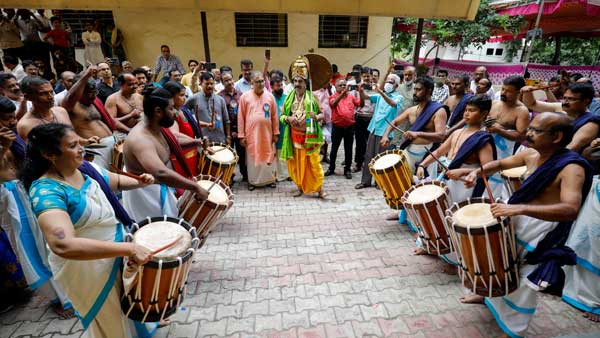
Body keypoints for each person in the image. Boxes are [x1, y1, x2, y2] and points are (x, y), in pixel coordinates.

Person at [462, 112, 593, 338]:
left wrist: (519, 208)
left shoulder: (571, 168)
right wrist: (476, 171)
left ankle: (513, 331)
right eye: (530, 128)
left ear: (556, 137)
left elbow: (570, 209)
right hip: (517, 219)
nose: (528, 134)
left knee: (523, 282)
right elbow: (501, 163)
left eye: (535, 131)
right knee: (500, 262)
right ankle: (488, 296)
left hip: (542, 231)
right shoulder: (531, 154)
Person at [22, 123, 157, 337]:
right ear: (50, 154)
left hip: (116, 252)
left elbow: (116, 181)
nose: (82, 148)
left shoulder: (86, 169)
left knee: (127, 307)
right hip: (87, 267)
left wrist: (139, 182)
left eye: (80, 142)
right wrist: (128, 249)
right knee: (109, 318)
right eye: (73, 145)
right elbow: (63, 244)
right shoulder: (46, 190)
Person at [0, 97, 75, 318]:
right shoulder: (5, 140)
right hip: (10, 200)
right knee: (31, 248)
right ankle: (57, 298)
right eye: (6, 119)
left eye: (13, 117)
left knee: (48, 243)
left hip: (28, 191)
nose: (12, 122)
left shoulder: (13, 136)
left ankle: (69, 291)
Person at [123, 87, 208, 221]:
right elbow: (160, 173)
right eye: (171, 108)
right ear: (158, 111)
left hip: (161, 191)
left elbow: (174, 139)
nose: (175, 113)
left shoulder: (157, 127)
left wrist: (196, 142)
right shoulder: (141, 140)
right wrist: (195, 187)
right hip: (148, 198)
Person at [417, 94, 495, 202]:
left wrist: (463, 171)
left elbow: (489, 169)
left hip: (466, 186)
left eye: (472, 110)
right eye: (466, 110)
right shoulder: (456, 132)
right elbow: (439, 151)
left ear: (484, 114)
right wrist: (422, 165)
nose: (466, 114)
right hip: (449, 179)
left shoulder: (482, 139)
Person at [61, 66, 129, 169]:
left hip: (114, 142)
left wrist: (128, 131)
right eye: (88, 93)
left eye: (94, 92)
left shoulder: (95, 102)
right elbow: (71, 96)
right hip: (95, 148)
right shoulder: (70, 105)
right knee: (104, 177)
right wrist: (86, 75)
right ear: (80, 91)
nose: (92, 96)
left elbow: (111, 121)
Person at [279, 56, 326, 198]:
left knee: (313, 164)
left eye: (300, 81)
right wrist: (288, 118)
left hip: (309, 138)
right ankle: (299, 186)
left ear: (306, 83)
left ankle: (319, 189)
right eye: (295, 81)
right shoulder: (289, 98)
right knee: (296, 165)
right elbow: (281, 117)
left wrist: (315, 117)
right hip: (293, 137)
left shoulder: (313, 98)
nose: (297, 84)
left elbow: (323, 114)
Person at [381, 76, 447, 177]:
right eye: (414, 89)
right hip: (409, 150)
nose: (415, 93)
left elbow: (441, 135)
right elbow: (394, 122)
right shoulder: (411, 110)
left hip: (428, 153)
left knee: (424, 187)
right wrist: (385, 135)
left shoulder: (438, 111)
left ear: (429, 91)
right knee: (405, 183)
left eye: (419, 89)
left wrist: (417, 133)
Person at [16, 76, 98, 147]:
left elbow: (71, 137)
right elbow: (35, 155)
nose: (50, 97)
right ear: (28, 97)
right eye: (43, 94)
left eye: (51, 92)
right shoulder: (25, 125)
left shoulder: (61, 111)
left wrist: (87, 141)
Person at [521, 82, 600, 153]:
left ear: (586, 101)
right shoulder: (562, 107)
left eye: (571, 99)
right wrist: (528, 92)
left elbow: (572, 147)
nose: (565, 102)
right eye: (565, 98)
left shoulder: (590, 123)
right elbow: (532, 104)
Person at [238, 71, 279, 190]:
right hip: (252, 134)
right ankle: (253, 181)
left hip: (267, 133)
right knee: (253, 156)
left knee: (268, 155)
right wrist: (242, 135)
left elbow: (274, 116)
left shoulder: (270, 96)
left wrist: (276, 133)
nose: (260, 84)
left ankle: (270, 179)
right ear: (252, 82)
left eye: (262, 81)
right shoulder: (244, 97)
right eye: (257, 81)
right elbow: (241, 117)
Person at [164, 81, 205, 178]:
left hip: (191, 156)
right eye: (181, 95)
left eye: (185, 95)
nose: (185, 98)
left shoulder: (183, 110)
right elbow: (174, 135)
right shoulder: (171, 115)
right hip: (180, 160)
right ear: (171, 97)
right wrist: (196, 141)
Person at [326, 78, 363, 179]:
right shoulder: (332, 97)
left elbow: (361, 104)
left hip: (349, 127)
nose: (343, 87)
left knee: (349, 149)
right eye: (340, 85)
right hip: (337, 127)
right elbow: (333, 104)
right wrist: (342, 94)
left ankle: (347, 169)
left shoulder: (351, 97)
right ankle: (331, 167)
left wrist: (361, 93)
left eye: (344, 85)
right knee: (334, 149)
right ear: (336, 87)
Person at [486, 75, 529, 160]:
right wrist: (486, 123)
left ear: (518, 92)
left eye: (508, 91)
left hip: (504, 154)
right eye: (503, 89)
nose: (503, 93)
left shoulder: (522, 111)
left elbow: (521, 136)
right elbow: (483, 122)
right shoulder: (494, 103)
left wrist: (499, 130)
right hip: (486, 147)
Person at [184, 72, 231, 144]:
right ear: (201, 83)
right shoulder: (194, 98)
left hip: (220, 139)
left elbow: (226, 120)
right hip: (203, 140)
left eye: (212, 84)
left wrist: (228, 136)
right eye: (207, 84)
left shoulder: (220, 99)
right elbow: (183, 111)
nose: (209, 86)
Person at [218, 71, 247, 182]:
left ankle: (245, 175)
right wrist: (228, 133)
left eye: (230, 79)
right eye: (226, 80)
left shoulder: (240, 95)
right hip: (227, 132)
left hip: (240, 130)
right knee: (228, 155)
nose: (229, 82)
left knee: (242, 154)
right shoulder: (219, 96)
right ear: (222, 82)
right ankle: (229, 177)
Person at [353, 67, 376, 173]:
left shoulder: (376, 87)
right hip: (360, 117)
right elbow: (355, 102)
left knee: (370, 143)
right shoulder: (357, 88)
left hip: (372, 118)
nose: (367, 78)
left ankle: (369, 164)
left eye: (368, 76)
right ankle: (358, 163)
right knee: (359, 142)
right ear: (361, 76)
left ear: (371, 76)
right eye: (365, 76)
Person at [270, 75, 289, 182]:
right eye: (277, 85)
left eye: (281, 85)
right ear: (272, 87)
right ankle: (276, 175)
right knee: (275, 153)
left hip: (285, 129)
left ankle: (286, 174)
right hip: (273, 130)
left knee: (284, 152)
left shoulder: (287, 97)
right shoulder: (269, 98)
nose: (280, 87)